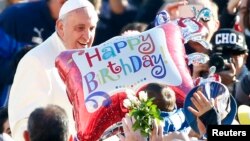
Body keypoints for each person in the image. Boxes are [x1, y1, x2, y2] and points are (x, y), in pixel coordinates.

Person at [8, 0, 99, 141]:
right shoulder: (36, 61)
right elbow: (23, 125)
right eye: (80, 28)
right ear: (61, 27)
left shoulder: (91, 59)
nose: (87, 37)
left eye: (92, 28)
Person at [0, 0, 67, 107]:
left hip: (57, 112)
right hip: (13, 111)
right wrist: (22, 61)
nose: (86, 34)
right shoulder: (14, 17)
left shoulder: (85, 30)